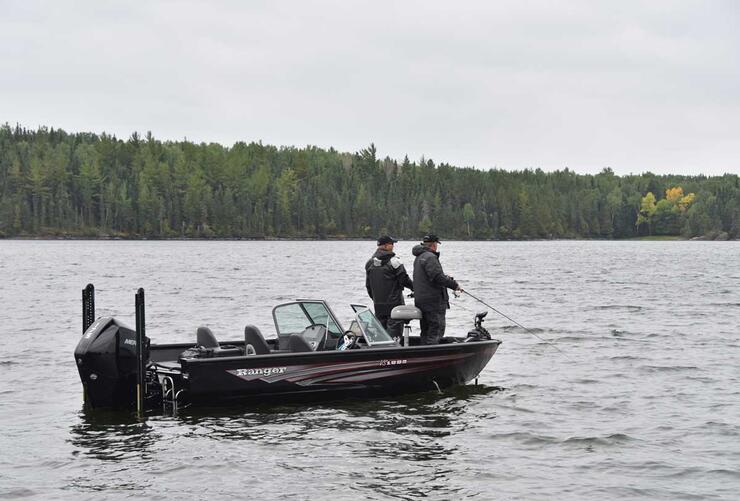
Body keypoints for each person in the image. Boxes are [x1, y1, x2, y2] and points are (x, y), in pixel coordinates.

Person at [412, 234, 462, 344]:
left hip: (421, 301)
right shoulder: (430, 257)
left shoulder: (419, 257)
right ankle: (431, 355)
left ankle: (423, 354)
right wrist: (454, 285)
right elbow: (437, 277)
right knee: (436, 330)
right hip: (433, 302)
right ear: (434, 245)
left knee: (425, 331)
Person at [365, 235, 414, 340]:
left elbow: (368, 286)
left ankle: (380, 354)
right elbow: (404, 280)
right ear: (386, 246)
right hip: (395, 305)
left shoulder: (369, 263)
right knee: (394, 337)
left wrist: (376, 299)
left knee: (380, 336)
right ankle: (395, 354)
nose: (393, 246)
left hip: (378, 306)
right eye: (392, 244)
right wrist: (416, 288)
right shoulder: (395, 261)